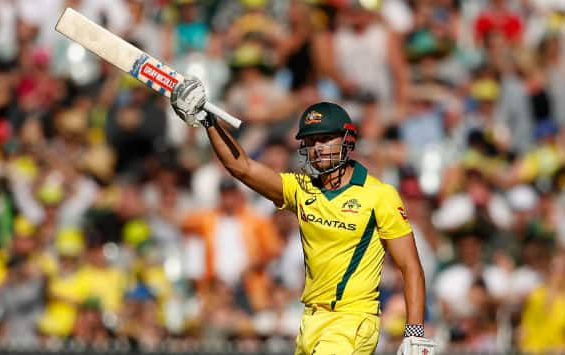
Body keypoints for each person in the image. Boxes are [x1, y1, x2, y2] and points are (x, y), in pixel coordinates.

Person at [169, 77, 435, 354]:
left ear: (347, 140)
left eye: (324, 139)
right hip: (310, 321)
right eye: (310, 141)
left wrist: (414, 333)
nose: (317, 148)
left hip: (352, 321)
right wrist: (208, 121)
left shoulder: (379, 195)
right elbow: (243, 168)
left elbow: (411, 267)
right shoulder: (302, 189)